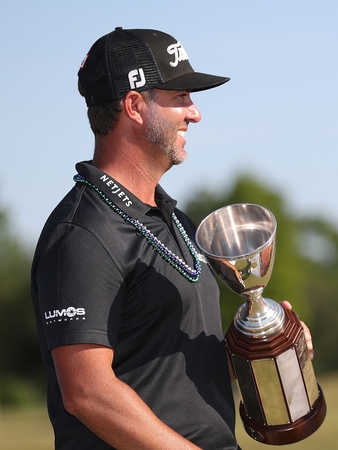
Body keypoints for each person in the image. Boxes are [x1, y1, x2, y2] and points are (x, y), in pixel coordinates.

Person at [30, 27, 311, 449]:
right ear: (135, 106)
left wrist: (264, 348)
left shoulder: (176, 220)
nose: (194, 113)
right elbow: (87, 393)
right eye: (180, 97)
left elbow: (172, 366)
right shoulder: (81, 233)